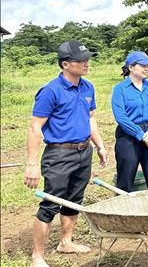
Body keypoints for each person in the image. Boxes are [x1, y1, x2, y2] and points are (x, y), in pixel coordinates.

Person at [25, 40, 108, 267]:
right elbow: (35, 127)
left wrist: (99, 145)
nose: (86, 63)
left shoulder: (88, 87)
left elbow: (90, 119)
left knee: (74, 200)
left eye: (87, 59)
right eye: (81, 60)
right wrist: (32, 164)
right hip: (59, 155)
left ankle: (65, 242)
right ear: (65, 64)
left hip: (84, 151)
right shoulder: (50, 91)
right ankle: (37, 257)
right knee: (51, 203)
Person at [111, 51, 148, 192]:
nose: (147, 69)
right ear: (131, 67)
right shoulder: (120, 89)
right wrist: (140, 134)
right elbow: (121, 116)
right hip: (128, 136)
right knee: (126, 180)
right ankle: (123, 213)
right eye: (143, 65)